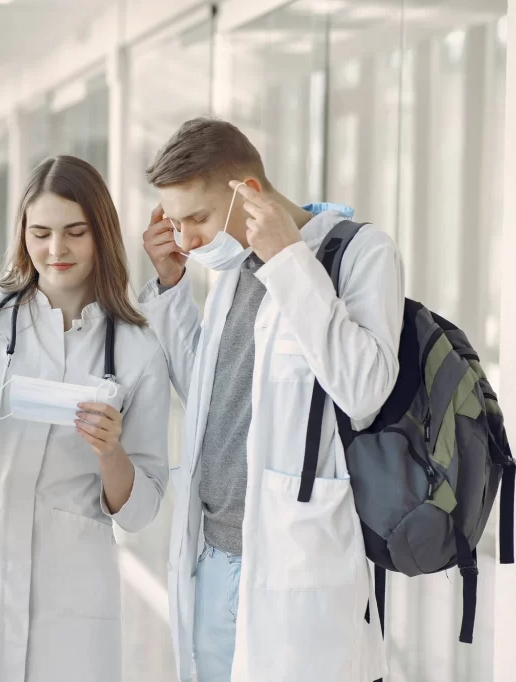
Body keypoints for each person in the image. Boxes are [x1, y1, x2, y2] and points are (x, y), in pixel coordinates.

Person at [0, 155, 171, 682]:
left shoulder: (137, 350)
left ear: (101, 234)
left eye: (74, 232)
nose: (55, 250)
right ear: (23, 234)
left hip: (68, 582)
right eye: (40, 233)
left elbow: (141, 508)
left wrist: (111, 452)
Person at [139, 118, 404, 682]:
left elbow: (364, 392)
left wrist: (289, 262)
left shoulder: (359, 253)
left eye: (197, 219)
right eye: (175, 221)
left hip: (294, 562)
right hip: (212, 557)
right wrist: (169, 289)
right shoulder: (233, 271)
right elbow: (212, 394)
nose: (184, 239)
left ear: (249, 192)